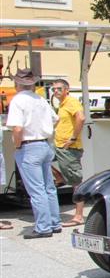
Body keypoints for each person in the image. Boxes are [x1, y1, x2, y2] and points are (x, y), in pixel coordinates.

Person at [4, 69, 60, 238]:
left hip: (29, 146)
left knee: (36, 190)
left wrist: (17, 144)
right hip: (44, 143)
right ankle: (54, 222)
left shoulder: (18, 101)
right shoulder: (40, 99)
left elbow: (17, 127)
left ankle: (43, 227)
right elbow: (55, 119)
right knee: (48, 187)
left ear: (17, 84)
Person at [51, 79, 86, 226]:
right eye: (54, 89)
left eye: (59, 89)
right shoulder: (62, 104)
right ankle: (59, 177)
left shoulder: (71, 102)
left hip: (69, 147)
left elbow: (81, 118)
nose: (56, 92)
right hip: (60, 145)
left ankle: (79, 216)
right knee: (43, 160)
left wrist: (72, 138)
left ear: (67, 90)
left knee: (76, 181)